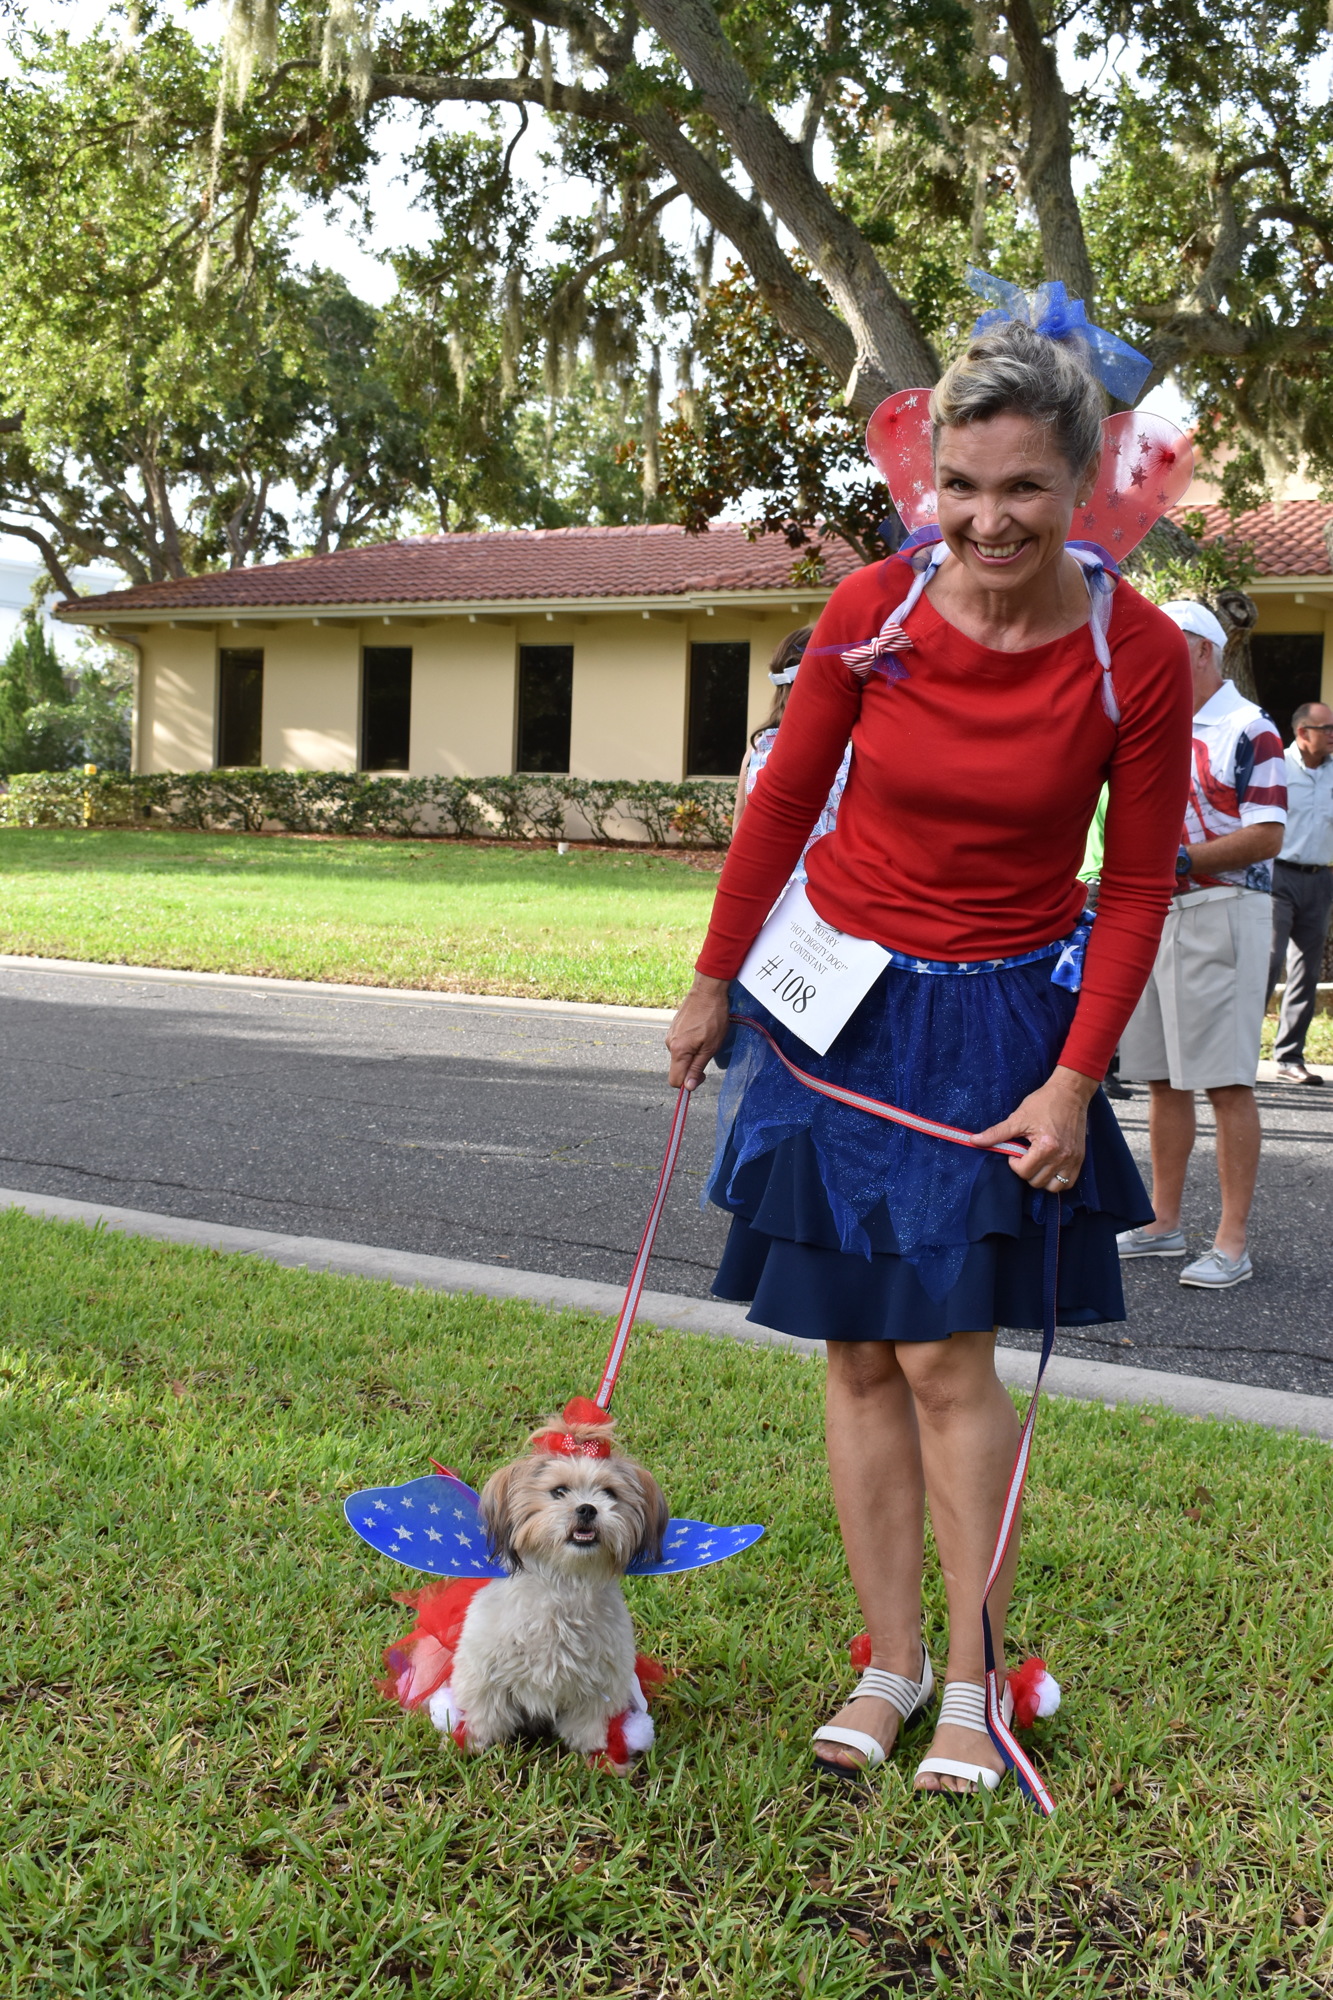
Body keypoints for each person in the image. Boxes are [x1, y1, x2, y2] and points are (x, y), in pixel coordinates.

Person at [666, 301, 1191, 1796]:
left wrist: (1076, 1076)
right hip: (836, 1006)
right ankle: (886, 1664)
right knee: (853, 1354)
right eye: (961, 488)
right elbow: (783, 803)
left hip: (998, 1024)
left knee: (945, 1355)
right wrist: (714, 981)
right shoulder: (871, 611)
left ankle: (974, 1680)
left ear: (1079, 486)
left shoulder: (1129, 655)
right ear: (929, 482)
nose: (985, 518)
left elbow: (1139, 879)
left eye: (1021, 487)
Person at [1117, 602, 1286, 1287]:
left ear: (1199, 651)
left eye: (1163, 645)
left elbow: (1268, 834)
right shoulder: (1155, 723)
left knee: (1223, 1080)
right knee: (1159, 1077)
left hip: (1224, 905)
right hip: (1159, 909)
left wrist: (1180, 860)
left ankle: (1231, 1241)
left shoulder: (1251, 728)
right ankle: (1162, 1222)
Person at [733, 628, 852, 881]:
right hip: (831, 899)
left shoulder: (758, 750)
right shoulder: (848, 750)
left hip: (771, 896)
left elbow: (739, 832)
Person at [1267, 700, 1333, 1084]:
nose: (1331, 736)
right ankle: (1240, 1051)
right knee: (1268, 963)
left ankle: (1290, 1056)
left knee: (1306, 971)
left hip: (1320, 878)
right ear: (1302, 732)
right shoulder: (1277, 766)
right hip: (1279, 876)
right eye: (1325, 729)